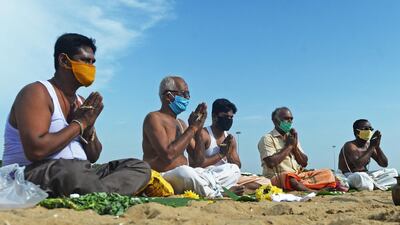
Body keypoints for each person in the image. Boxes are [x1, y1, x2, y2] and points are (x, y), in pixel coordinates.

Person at [2, 33, 151, 197]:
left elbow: (93, 156)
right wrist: (78, 124)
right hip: (30, 175)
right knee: (72, 171)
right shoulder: (37, 92)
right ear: (64, 61)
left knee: (139, 167)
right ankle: (98, 191)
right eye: (85, 60)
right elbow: (36, 151)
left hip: (80, 172)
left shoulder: (81, 101)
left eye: (93, 62)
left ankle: (94, 191)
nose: (91, 66)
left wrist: (88, 128)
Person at [142, 76, 241, 198]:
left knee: (233, 169)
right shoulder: (153, 118)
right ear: (168, 96)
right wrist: (192, 128)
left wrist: (198, 129)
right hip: (163, 177)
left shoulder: (181, 124)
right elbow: (168, 155)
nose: (187, 98)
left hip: (189, 175)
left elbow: (198, 161)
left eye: (188, 95)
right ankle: (217, 191)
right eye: (184, 94)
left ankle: (211, 187)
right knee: (185, 172)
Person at [190, 98, 270, 189]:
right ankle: (225, 187)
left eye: (231, 117)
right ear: (214, 116)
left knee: (266, 182)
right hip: (206, 175)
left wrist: (228, 153)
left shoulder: (230, 138)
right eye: (225, 116)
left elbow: (237, 165)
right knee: (232, 171)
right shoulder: (204, 134)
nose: (229, 119)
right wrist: (220, 154)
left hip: (227, 176)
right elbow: (197, 165)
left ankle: (229, 186)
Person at [258, 107, 336, 192]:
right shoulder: (267, 138)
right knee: (290, 178)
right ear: (275, 120)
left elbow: (304, 162)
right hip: (278, 177)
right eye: (286, 119)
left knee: (328, 173)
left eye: (291, 119)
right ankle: (312, 191)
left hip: (297, 175)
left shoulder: (291, 137)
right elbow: (271, 162)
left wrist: (294, 147)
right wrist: (289, 147)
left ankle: (304, 186)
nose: (289, 121)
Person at [338, 119, 398, 191]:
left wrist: (377, 146)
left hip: (366, 175)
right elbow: (358, 165)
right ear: (357, 132)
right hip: (351, 176)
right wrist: (372, 147)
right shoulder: (350, 145)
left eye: (371, 129)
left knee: (393, 172)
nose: (369, 131)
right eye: (366, 129)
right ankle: (375, 185)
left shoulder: (369, 145)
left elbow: (384, 164)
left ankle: (373, 185)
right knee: (361, 177)